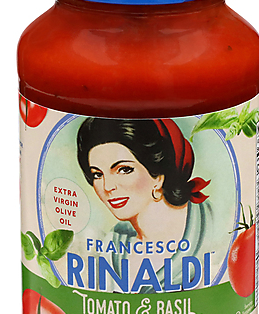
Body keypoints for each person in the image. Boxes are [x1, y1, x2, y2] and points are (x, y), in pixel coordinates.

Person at [77, 118, 212, 292]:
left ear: (158, 176)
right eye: (97, 174)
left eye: (124, 169)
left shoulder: (209, 225)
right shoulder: (114, 244)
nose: (107, 186)